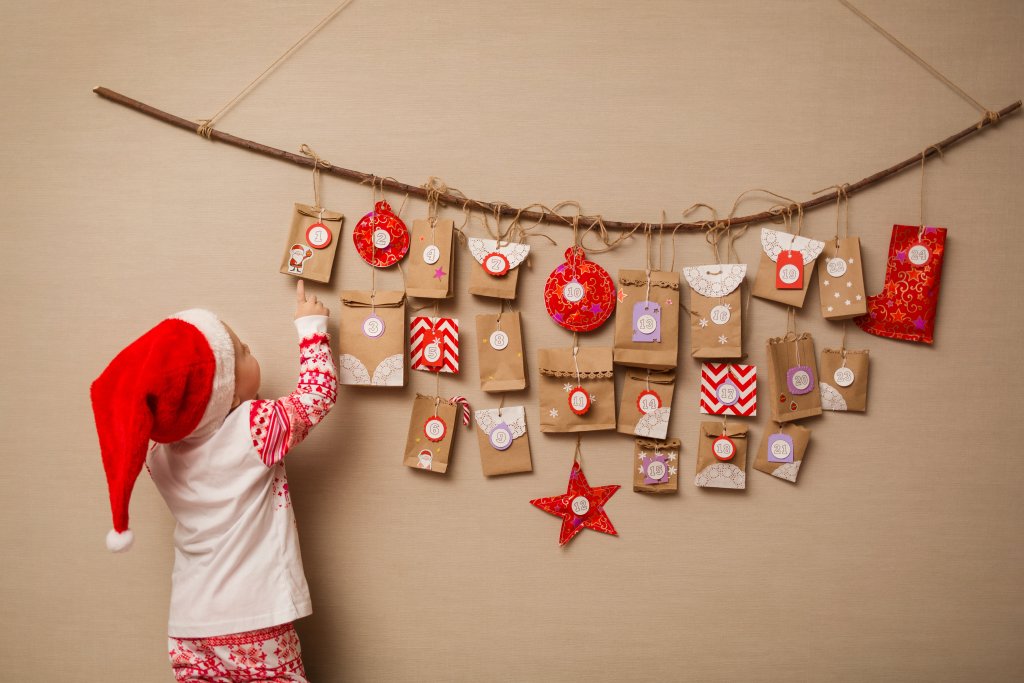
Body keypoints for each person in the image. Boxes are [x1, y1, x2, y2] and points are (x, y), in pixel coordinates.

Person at [90, 281, 337, 681]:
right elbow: (317, 395)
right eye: (241, 353)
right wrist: (311, 327)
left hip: (189, 626)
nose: (250, 351)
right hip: (256, 617)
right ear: (228, 395)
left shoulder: (158, 457)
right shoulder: (254, 429)